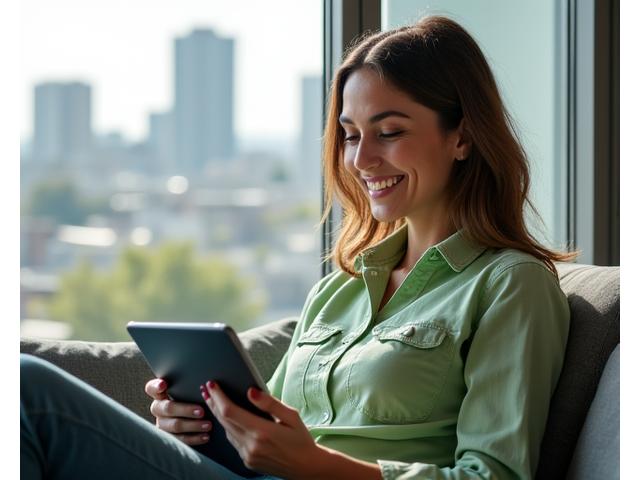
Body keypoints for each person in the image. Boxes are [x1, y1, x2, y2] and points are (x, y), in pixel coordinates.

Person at [21, 15, 576, 479]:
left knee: (27, 388)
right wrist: (201, 428)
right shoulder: (339, 291)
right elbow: (274, 435)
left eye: (389, 131)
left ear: (463, 137)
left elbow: (493, 475)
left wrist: (316, 465)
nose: (360, 161)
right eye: (351, 134)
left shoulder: (509, 284)